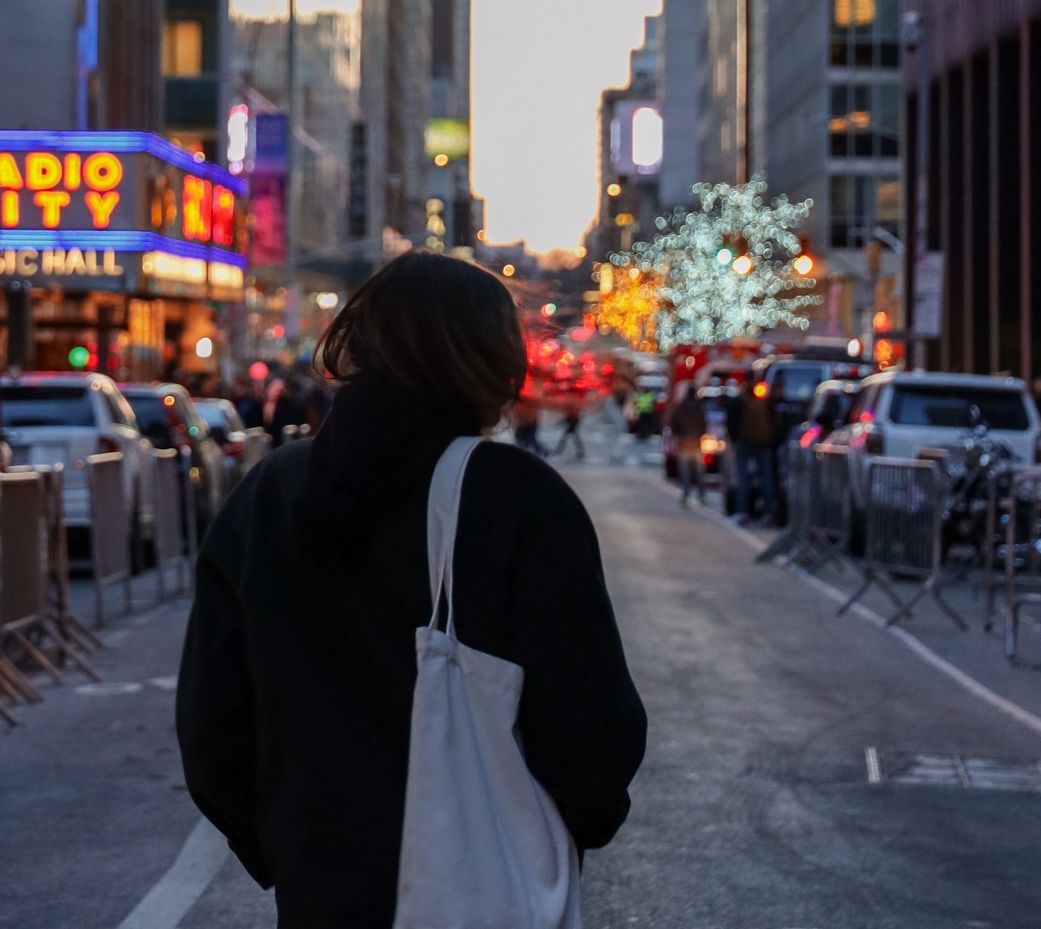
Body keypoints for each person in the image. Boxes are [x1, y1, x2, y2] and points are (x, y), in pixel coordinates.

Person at [175, 253, 646, 929]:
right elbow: (593, 724)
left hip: (320, 890)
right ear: (492, 362)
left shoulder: (270, 495)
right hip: (483, 888)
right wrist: (578, 822)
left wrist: (287, 844)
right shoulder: (516, 499)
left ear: (359, 345)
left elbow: (210, 719)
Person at [730, 380, 775, 521]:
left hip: (744, 442)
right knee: (766, 478)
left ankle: (742, 511)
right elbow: (773, 421)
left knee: (742, 478)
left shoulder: (739, 400)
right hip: (763, 443)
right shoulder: (765, 401)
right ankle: (768, 512)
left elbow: (731, 421)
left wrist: (735, 439)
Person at [667, 381, 709, 506]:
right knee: (699, 472)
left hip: (683, 443)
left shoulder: (680, 408)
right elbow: (704, 425)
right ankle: (702, 495)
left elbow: (674, 424)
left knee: (685, 472)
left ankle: (686, 494)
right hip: (696, 443)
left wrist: (677, 438)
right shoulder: (699, 408)